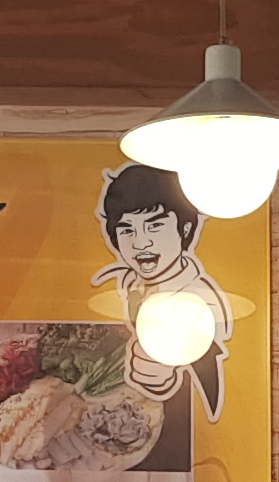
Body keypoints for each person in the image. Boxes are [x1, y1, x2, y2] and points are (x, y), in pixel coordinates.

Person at [91, 163, 232, 418]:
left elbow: (204, 369)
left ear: (185, 229)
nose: (141, 242)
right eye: (127, 229)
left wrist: (158, 373)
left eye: (154, 226)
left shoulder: (199, 303)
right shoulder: (131, 280)